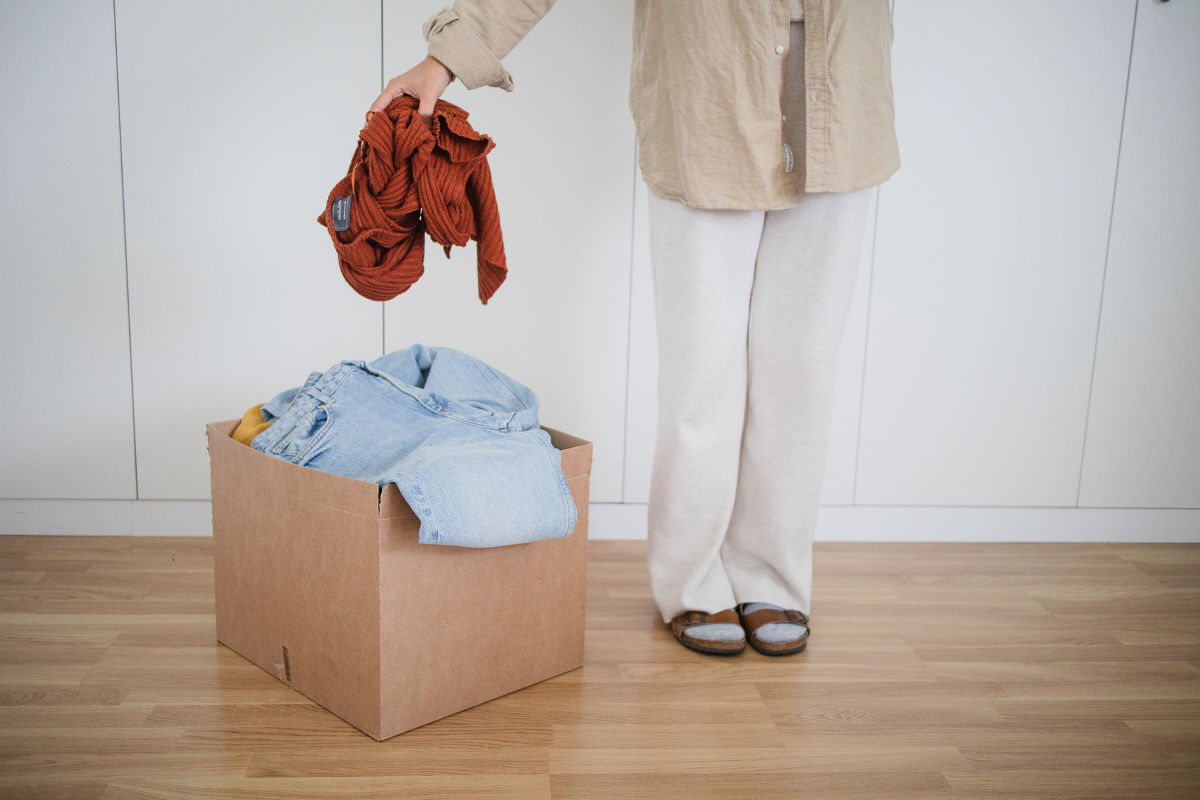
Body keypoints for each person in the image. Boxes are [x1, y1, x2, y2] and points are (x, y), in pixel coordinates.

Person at [373, 0, 899, 656]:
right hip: (709, 93)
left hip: (840, 92)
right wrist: (449, 54)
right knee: (702, 375)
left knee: (801, 370)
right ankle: (691, 577)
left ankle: (770, 574)